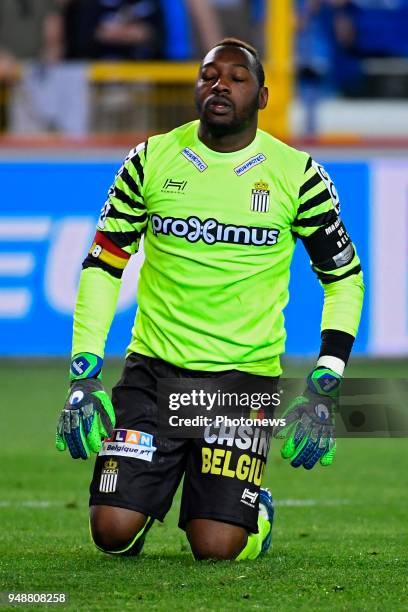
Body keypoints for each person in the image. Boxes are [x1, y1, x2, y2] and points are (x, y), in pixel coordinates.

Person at [56, 38, 364, 561]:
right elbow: (104, 265)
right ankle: (143, 498)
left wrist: (325, 382)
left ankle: (254, 511)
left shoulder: (298, 175)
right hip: (153, 374)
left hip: (242, 383)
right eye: (208, 75)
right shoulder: (150, 159)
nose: (219, 84)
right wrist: (83, 372)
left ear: (263, 96)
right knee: (111, 532)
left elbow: (344, 280)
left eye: (236, 77)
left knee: (217, 548)